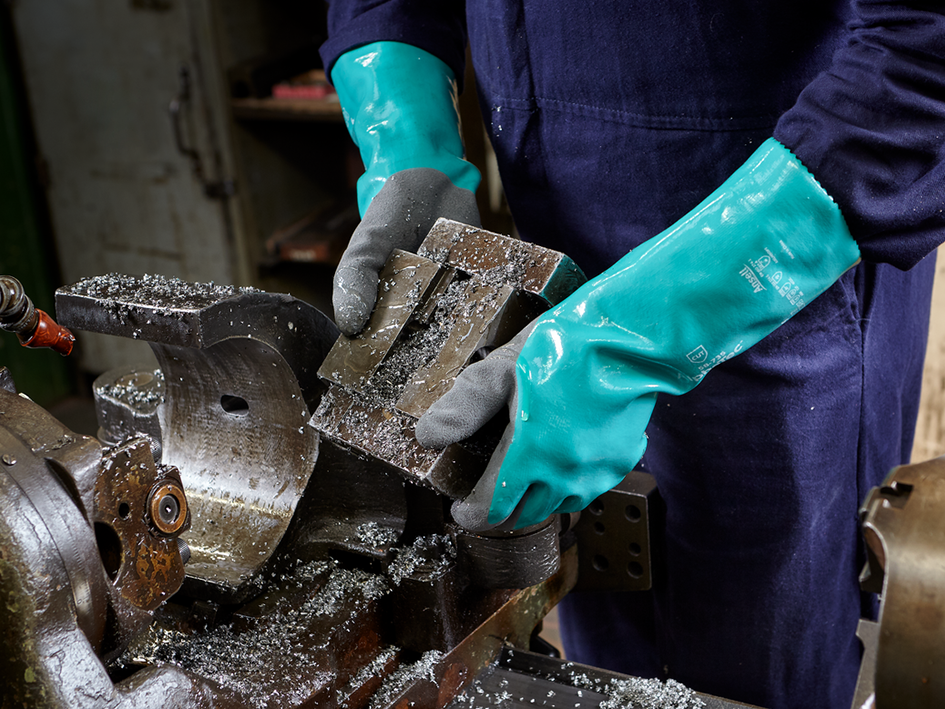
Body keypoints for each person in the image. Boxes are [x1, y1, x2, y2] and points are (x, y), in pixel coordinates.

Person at [319, 4, 945, 708]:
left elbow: (926, 54)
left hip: (772, 271)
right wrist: (407, 142)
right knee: (609, 666)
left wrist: (630, 337)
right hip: (557, 264)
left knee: (756, 676)